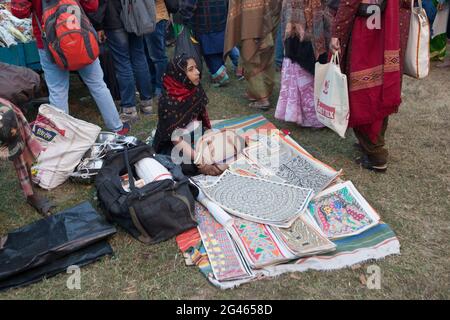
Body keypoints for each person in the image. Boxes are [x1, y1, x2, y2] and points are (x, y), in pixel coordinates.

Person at [11, 0, 129, 135]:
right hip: (79, 35)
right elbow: (92, 6)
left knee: (58, 91)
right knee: (97, 85)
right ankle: (117, 127)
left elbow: (19, 12)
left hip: (49, 42)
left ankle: (63, 135)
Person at [330, 0, 411, 172]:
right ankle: (371, 145)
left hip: (366, 38)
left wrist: (337, 33)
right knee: (381, 90)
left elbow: (349, 4)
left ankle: (376, 154)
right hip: (389, 34)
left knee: (363, 93)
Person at [153, 54, 225, 176]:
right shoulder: (168, 101)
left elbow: (203, 117)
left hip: (196, 132)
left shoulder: (193, 88)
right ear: (179, 74)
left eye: (196, 68)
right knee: (187, 166)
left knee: (221, 147)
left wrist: (209, 136)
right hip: (175, 142)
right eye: (191, 69)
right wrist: (198, 158)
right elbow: (175, 138)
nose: (197, 72)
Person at [275, 0, 330, 128]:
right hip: (298, 36)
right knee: (302, 77)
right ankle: (303, 115)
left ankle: (314, 117)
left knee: (308, 79)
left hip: (312, 38)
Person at [98, 0, 154, 122]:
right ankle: (147, 103)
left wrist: (98, 24)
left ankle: (129, 108)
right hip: (134, 14)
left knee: (123, 63)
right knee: (139, 58)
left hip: (114, 19)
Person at [0, 98, 54, 216]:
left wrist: (30, 193)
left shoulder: (9, 110)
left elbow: (22, 153)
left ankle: (31, 194)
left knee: (20, 150)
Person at [224, 0, 282, 110]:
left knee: (251, 57)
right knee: (266, 55)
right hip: (270, 17)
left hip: (251, 20)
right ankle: (259, 91)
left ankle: (262, 99)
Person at [179, 0, 231, 87]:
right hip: (221, 20)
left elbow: (188, 6)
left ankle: (221, 76)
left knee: (210, 53)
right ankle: (220, 72)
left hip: (204, 24)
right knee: (218, 50)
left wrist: (184, 18)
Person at [145, 0, 170, 99]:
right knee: (149, 56)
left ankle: (161, 86)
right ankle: (154, 85)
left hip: (156, 18)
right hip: (145, 19)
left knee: (158, 56)